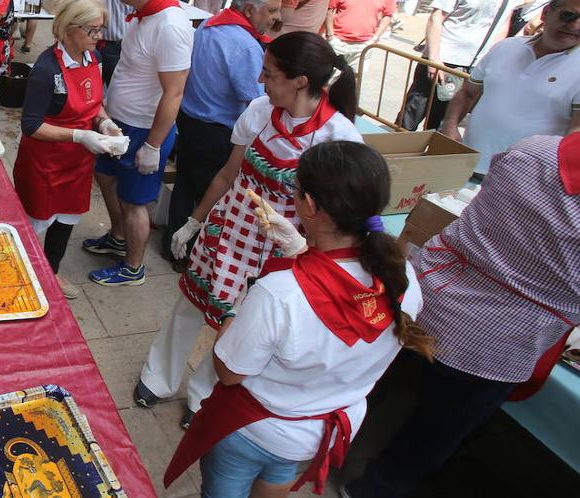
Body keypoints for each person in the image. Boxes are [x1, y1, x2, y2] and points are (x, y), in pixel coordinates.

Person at [164, 141, 430, 498]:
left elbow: (229, 371)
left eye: (297, 190)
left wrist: (236, 306)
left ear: (310, 205)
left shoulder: (279, 293)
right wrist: (301, 252)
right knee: (279, 476)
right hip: (316, 432)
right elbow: (343, 303)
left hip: (253, 429)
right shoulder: (404, 279)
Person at [345, 131, 580, 498]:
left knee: (372, 384)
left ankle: (331, 452)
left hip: (427, 296)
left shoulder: (532, 152)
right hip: (499, 344)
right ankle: (374, 488)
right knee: (435, 430)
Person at [142, 33, 362, 420]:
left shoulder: (338, 137)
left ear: (300, 81)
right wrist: (195, 221)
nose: (262, 80)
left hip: (282, 245)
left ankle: (203, 396)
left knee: (240, 325)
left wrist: (302, 245)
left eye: (270, 73)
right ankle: (158, 376)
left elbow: (340, 216)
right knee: (191, 304)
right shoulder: (260, 112)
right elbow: (228, 174)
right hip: (231, 227)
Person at [83, 0, 192, 286]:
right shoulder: (144, 14)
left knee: (135, 201)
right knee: (106, 178)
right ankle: (118, 237)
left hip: (143, 129)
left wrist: (153, 145)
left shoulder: (170, 26)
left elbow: (174, 92)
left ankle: (133, 266)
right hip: (120, 122)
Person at [15, 0, 128, 300]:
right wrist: (79, 136)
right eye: (92, 30)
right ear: (69, 28)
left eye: (100, 28)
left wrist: (105, 124)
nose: (98, 36)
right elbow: (32, 125)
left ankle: (51, 274)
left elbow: (95, 105)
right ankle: (21, 277)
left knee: (65, 222)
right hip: (45, 166)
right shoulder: (46, 69)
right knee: (34, 225)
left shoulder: (95, 58)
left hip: (77, 165)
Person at [163, 0, 282, 265]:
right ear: (251, 9)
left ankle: (173, 244)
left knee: (185, 185)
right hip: (217, 131)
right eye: (272, 10)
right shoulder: (243, 44)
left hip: (191, 121)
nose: (276, 17)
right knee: (211, 196)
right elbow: (255, 99)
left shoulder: (210, 25)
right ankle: (194, 255)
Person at [439, 0, 580, 177]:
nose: (575, 26)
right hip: (465, 165)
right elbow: (467, 93)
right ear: (546, 13)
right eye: (568, 15)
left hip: (521, 182)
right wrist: (449, 127)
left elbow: (579, 130)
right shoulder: (506, 47)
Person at [400, 0, 533, 131]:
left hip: (473, 67)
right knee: (413, 113)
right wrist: (434, 59)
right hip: (444, 60)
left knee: (444, 123)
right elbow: (437, 17)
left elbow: (504, 22)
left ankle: (426, 158)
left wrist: (491, 61)